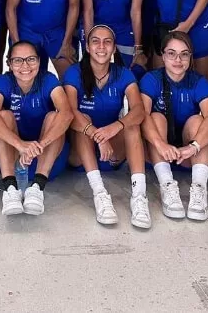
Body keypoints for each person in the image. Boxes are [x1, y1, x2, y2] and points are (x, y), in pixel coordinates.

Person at [64, 25, 151, 228]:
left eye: (107, 42)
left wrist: (116, 127)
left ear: (114, 48)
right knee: (82, 119)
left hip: (112, 152)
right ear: (87, 47)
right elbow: (69, 113)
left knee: (131, 124)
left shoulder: (123, 74)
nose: (101, 46)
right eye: (95, 41)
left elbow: (138, 110)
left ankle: (139, 196)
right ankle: (100, 193)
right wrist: (96, 134)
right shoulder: (74, 73)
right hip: (81, 155)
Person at [0, 41, 73, 216]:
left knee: (54, 116)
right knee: (3, 115)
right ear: (9, 64)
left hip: (45, 160)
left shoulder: (48, 79)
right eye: (18, 60)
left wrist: (37, 146)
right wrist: (21, 146)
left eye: (31, 59)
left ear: (39, 61)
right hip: (13, 160)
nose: (25, 66)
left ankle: (37, 188)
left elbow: (67, 114)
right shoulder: (4, 80)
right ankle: (9, 189)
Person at [139, 31, 208, 221]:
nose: (178, 60)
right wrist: (160, 145)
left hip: (187, 155)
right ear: (163, 56)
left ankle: (199, 188)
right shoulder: (151, 79)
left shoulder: (199, 82)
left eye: (184, 54)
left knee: (199, 120)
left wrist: (193, 147)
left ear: (190, 57)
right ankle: (167, 184)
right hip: (157, 152)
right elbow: (141, 116)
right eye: (171, 53)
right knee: (155, 117)